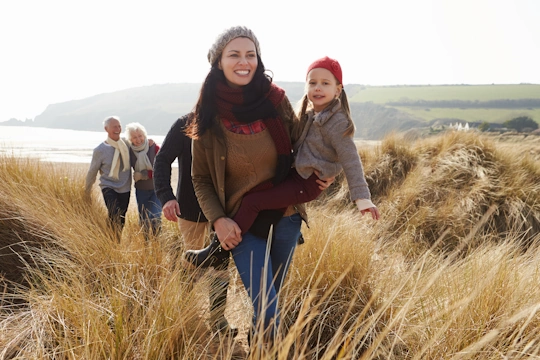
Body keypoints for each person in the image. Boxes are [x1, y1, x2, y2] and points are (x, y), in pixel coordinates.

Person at [184, 26, 334, 343]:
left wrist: (327, 166)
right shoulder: (208, 116)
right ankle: (275, 347)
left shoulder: (276, 101)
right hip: (241, 224)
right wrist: (218, 220)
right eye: (234, 54)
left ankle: (260, 346)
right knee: (267, 305)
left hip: (286, 216)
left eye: (250, 54)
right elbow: (200, 178)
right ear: (219, 62)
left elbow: (301, 145)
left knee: (269, 301)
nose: (244, 61)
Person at [187, 56, 380, 256]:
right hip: (297, 175)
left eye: (325, 83)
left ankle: (218, 252)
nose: (318, 88)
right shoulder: (310, 114)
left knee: (252, 202)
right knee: (257, 192)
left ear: (338, 90)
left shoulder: (337, 121)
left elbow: (350, 158)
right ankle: (269, 236)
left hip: (307, 183)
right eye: (312, 83)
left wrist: (362, 198)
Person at [153, 112, 237, 336]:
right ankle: (182, 307)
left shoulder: (234, 121)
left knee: (221, 264)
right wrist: (166, 196)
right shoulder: (186, 123)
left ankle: (218, 319)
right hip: (190, 209)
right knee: (192, 263)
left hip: (225, 210)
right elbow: (161, 160)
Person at [85, 116, 131, 240]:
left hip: (125, 187)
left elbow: (141, 145)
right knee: (114, 213)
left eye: (119, 126)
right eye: (114, 126)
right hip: (108, 186)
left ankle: (116, 242)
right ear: (106, 129)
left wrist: (151, 142)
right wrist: (87, 190)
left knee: (121, 216)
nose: (118, 129)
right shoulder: (100, 150)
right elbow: (92, 171)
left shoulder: (127, 144)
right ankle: (109, 240)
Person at [125, 122, 162, 237]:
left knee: (155, 216)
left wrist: (145, 174)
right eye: (134, 137)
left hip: (157, 189)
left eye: (140, 135)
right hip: (141, 190)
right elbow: (118, 142)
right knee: (143, 218)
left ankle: (157, 243)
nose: (138, 139)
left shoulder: (154, 147)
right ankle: (145, 244)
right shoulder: (129, 150)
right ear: (130, 139)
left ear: (145, 135)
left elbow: (162, 168)